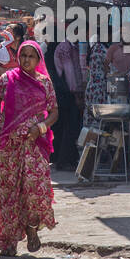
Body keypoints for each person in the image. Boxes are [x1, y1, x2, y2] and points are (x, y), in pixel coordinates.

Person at [0, 41, 58, 256]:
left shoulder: (44, 83)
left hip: (33, 145)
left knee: (36, 190)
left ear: (38, 60)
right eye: (23, 55)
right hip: (6, 145)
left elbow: (54, 112)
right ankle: (9, 241)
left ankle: (31, 228)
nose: (26, 59)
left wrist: (41, 127)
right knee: (8, 194)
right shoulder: (7, 79)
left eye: (31, 56)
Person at [47, 38, 85, 171]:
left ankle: (64, 159)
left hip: (67, 93)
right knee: (69, 128)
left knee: (66, 128)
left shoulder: (72, 48)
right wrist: (76, 93)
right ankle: (63, 161)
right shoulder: (65, 49)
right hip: (66, 94)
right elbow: (69, 74)